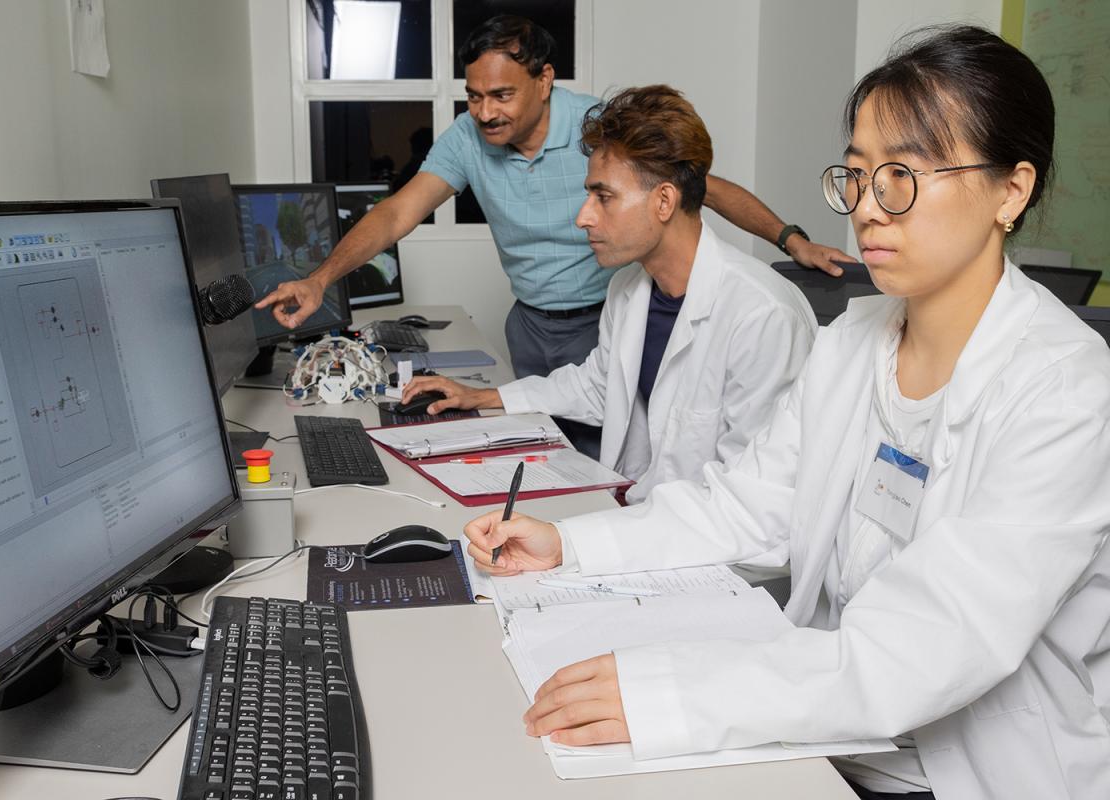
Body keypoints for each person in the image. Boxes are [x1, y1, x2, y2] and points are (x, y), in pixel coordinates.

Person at [462, 25, 1110, 800]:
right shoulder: (852, 343)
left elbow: (927, 647)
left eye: (901, 176)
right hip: (823, 733)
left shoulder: (1065, 389)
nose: (868, 210)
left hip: (969, 773)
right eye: (859, 177)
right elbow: (744, 507)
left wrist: (674, 693)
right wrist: (568, 547)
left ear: (1011, 189)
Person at [255, 15, 852, 456]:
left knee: (610, 451)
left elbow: (703, 186)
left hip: (597, 313)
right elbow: (395, 214)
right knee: (554, 454)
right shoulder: (468, 139)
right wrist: (320, 279)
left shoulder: (601, 132)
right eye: (474, 96)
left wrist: (790, 240)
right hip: (533, 324)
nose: (485, 112)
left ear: (544, 81)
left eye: (502, 95)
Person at [398, 85, 816, 504]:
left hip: (718, 549)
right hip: (643, 514)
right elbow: (597, 386)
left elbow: (748, 497)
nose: (582, 217)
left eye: (604, 197)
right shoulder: (628, 288)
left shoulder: (763, 314)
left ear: (664, 201)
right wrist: (486, 397)